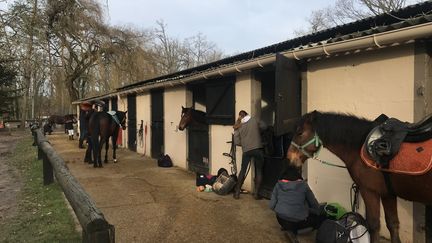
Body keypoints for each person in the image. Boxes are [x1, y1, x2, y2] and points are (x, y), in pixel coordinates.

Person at [269, 166, 324, 242]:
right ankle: (294, 232)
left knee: (299, 213)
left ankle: (287, 228)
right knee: (320, 220)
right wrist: (315, 212)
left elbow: (271, 206)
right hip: (297, 222)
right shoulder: (304, 185)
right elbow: (314, 204)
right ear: (298, 174)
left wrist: (283, 208)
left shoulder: (278, 184)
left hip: (280, 219)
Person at [232, 110, 265, 200]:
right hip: (258, 149)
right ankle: (256, 194)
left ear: (240, 117)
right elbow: (264, 127)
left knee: (243, 170)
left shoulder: (238, 125)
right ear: (247, 114)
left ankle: (237, 193)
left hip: (246, 150)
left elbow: (236, 141)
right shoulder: (255, 120)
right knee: (259, 171)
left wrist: (245, 143)